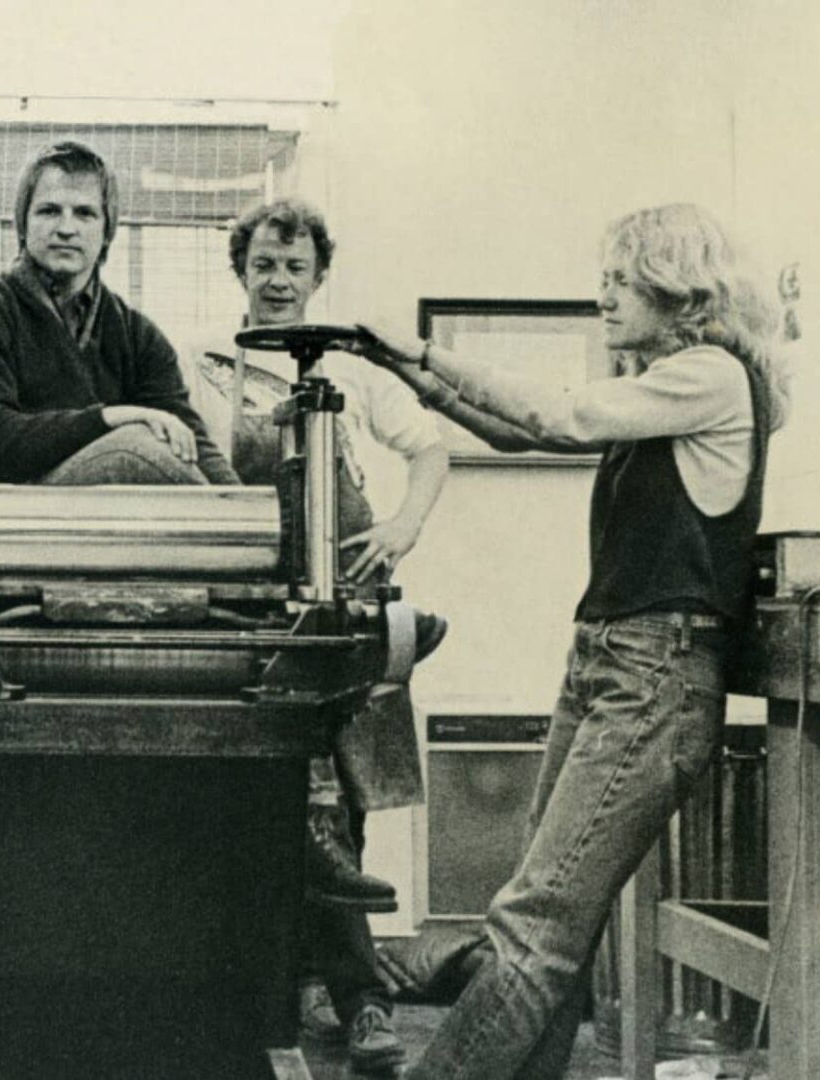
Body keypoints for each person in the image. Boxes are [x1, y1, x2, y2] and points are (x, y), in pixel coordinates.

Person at [351, 203, 790, 1080]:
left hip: (655, 673)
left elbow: (557, 418)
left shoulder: (710, 375)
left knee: (533, 926)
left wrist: (428, 352)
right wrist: (412, 374)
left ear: (678, 291)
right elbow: (518, 433)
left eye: (622, 282)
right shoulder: (665, 387)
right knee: (552, 928)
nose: (605, 299)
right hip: (611, 661)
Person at [184, 198, 449, 1074]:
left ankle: (362, 1001)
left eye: (295, 267)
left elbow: (431, 451)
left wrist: (401, 529)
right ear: (241, 270)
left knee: (348, 799)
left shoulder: (352, 363)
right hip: (255, 595)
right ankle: (279, 992)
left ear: (319, 275)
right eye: (264, 264)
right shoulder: (207, 360)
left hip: (348, 595)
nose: (279, 281)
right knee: (264, 797)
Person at [0, 140, 239, 486]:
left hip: (105, 514)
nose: (66, 228)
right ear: (22, 224)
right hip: (4, 507)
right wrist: (109, 418)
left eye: (84, 213)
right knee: (137, 445)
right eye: (49, 211)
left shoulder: (137, 334)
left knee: (165, 445)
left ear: (107, 230)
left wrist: (248, 507)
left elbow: (190, 441)